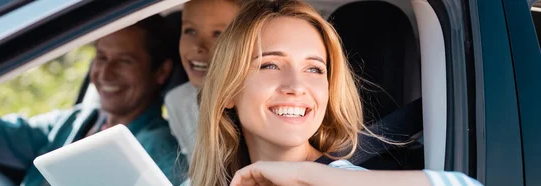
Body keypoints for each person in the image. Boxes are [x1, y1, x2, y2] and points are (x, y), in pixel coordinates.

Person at [188, 1, 483, 186]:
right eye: (270, 65)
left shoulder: (342, 180)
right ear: (228, 90)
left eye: (314, 69)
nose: (296, 85)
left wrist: (313, 177)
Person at [0, 15, 187, 186]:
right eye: (101, 58)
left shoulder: (160, 152)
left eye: (124, 61)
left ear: (161, 72)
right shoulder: (75, 121)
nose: (105, 73)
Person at [165, 0, 241, 162]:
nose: (198, 46)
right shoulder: (179, 102)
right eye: (190, 30)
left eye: (218, 34)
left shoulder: (257, 106)